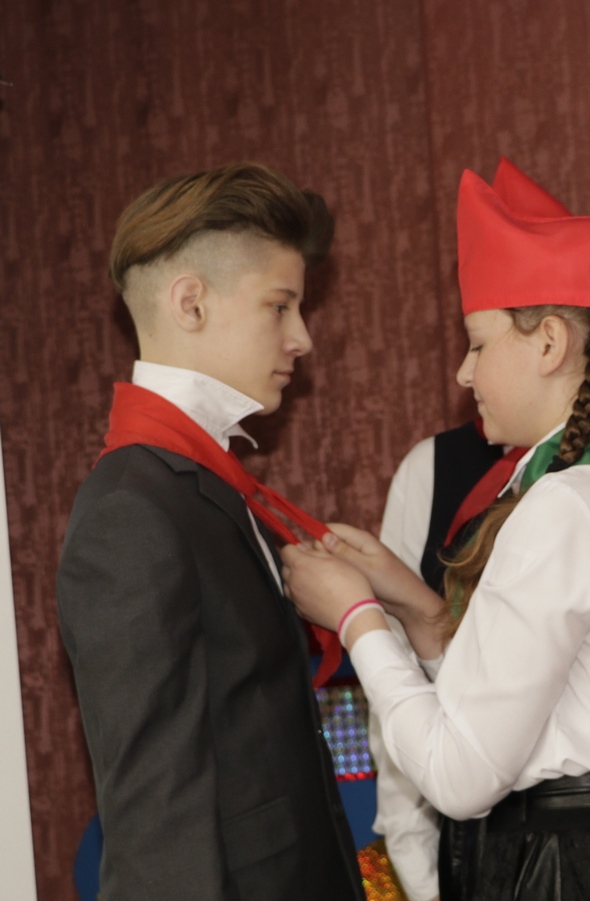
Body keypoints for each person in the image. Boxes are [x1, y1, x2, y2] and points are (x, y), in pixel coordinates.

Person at [282, 161, 590, 900]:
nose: (463, 374)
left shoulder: (564, 507)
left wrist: (356, 617)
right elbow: (551, 704)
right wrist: (417, 608)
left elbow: (460, 776)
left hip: (574, 870)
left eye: (477, 344)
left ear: (550, 343)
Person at [57, 162, 364, 901]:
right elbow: (155, 811)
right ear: (190, 303)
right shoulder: (132, 510)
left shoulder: (205, 486)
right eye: (280, 306)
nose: (301, 338)